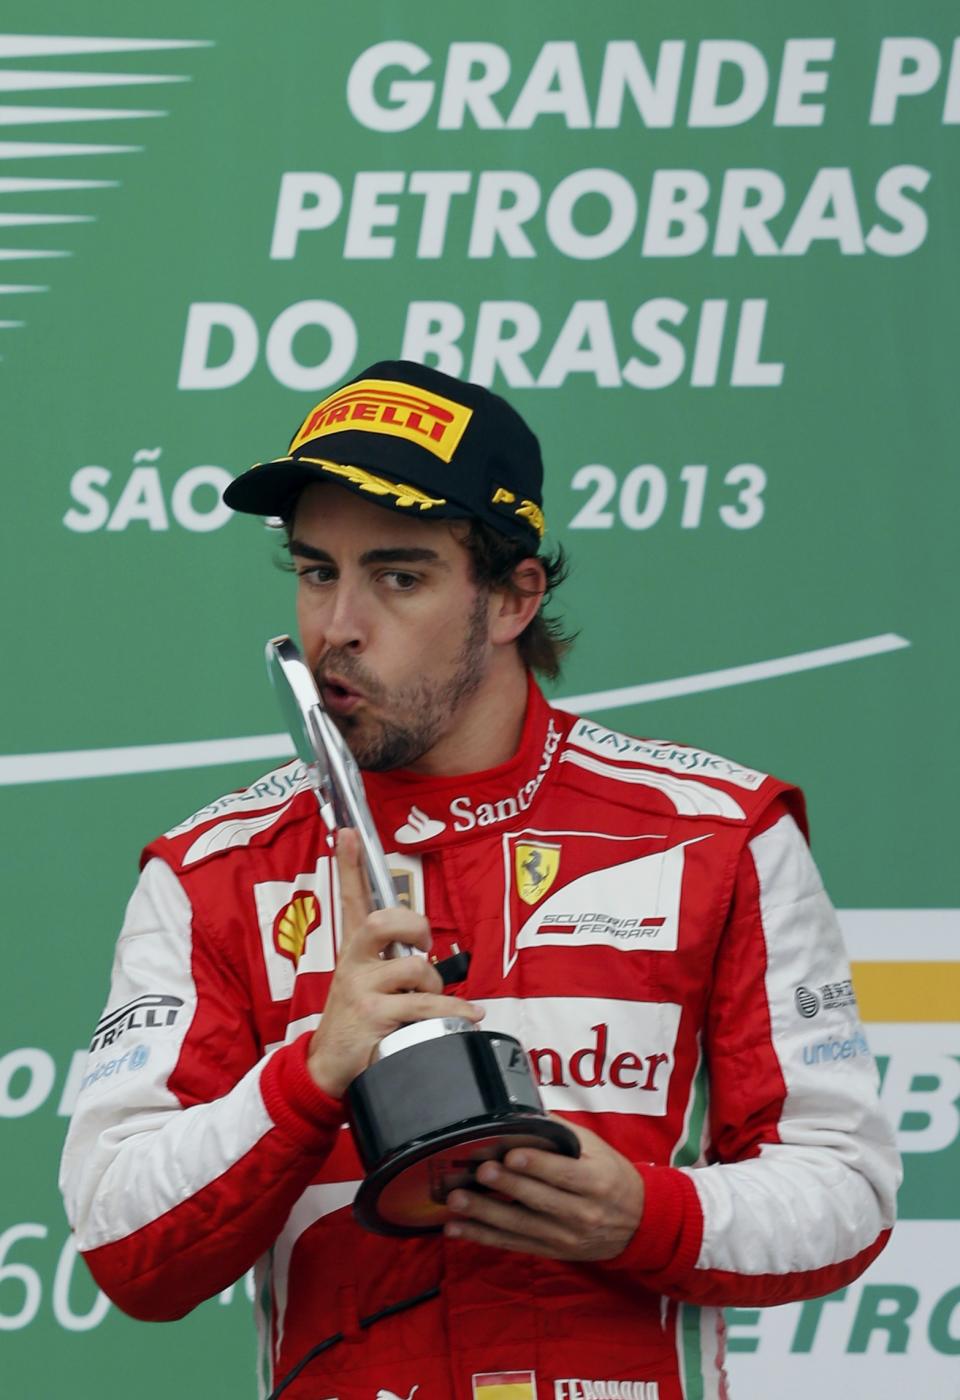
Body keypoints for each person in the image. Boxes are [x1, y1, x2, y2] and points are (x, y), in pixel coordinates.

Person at [60, 361, 900, 1400]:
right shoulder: (215, 869)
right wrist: (308, 1075)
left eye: (399, 575)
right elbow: (121, 1241)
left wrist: (647, 1216)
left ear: (512, 596)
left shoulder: (718, 834)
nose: (339, 624)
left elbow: (846, 1189)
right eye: (317, 570)